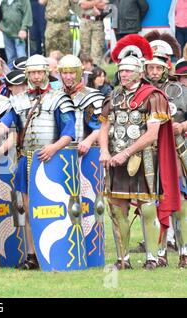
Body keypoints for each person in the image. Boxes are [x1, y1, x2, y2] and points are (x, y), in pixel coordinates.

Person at [0, 54, 76, 270]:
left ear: (46, 73)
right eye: (32, 72)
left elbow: (69, 133)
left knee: (53, 208)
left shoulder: (59, 99)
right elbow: (4, 127)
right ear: (28, 75)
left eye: (40, 72)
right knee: (29, 210)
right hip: (27, 160)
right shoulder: (18, 101)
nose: (37, 76)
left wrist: (53, 148)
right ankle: (32, 255)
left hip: (52, 161)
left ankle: (54, 251)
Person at [98, 34, 180, 270]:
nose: (123, 74)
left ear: (139, 71)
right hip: (115, 158)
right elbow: (104, 126)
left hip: (144, 158)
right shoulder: (112, 96)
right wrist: (104, 150)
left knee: (147, 208)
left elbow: (152, 134)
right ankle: (123, 259)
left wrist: (127, 152)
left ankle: (152, 258)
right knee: (116, 207)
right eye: (121, 70)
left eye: (128, 70)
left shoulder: (153, 96)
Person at [143, 30, 187, 268]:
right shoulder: (140, 91)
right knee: (150, 199)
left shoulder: (179, 91)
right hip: (148, 151)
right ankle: (159, 250)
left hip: (177, 150)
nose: (155, 72)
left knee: (178, 197)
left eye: (159, 66)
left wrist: (182, 125)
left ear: (167, 66)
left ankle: (183, 249)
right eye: (151, 67)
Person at [58, 54, 104, 155]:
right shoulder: (55, 96)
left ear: (79, 73)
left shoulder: (92, 96)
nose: (68, 77)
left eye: (72, 73)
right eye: (65, 73)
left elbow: (102, 125)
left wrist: (89, 140)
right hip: (59, 153)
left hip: (86, 152)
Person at [78, 0, 109, 66]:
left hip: (98, 22)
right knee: (85, 49)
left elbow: (105, 6)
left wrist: (89, 4)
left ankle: (95, 70)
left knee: (97, 49)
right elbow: (83, 5)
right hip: (85, 21)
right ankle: (85, 71)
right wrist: (98, 1)